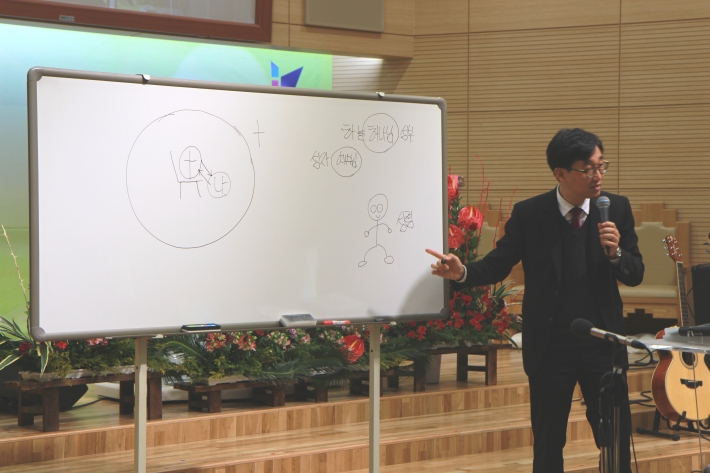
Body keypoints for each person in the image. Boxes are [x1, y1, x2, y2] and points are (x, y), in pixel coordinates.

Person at [427, 128, 643, 473]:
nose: (598, 175)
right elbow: (498, 264)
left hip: (602, 344)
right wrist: (462, 272)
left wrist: (616, 254)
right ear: (561, 173)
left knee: (615, 440)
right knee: (548, 443)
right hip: (550, 346)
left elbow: (635, 273)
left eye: (602, 166)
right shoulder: (530, 214)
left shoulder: (615, 208)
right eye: (588, 168)